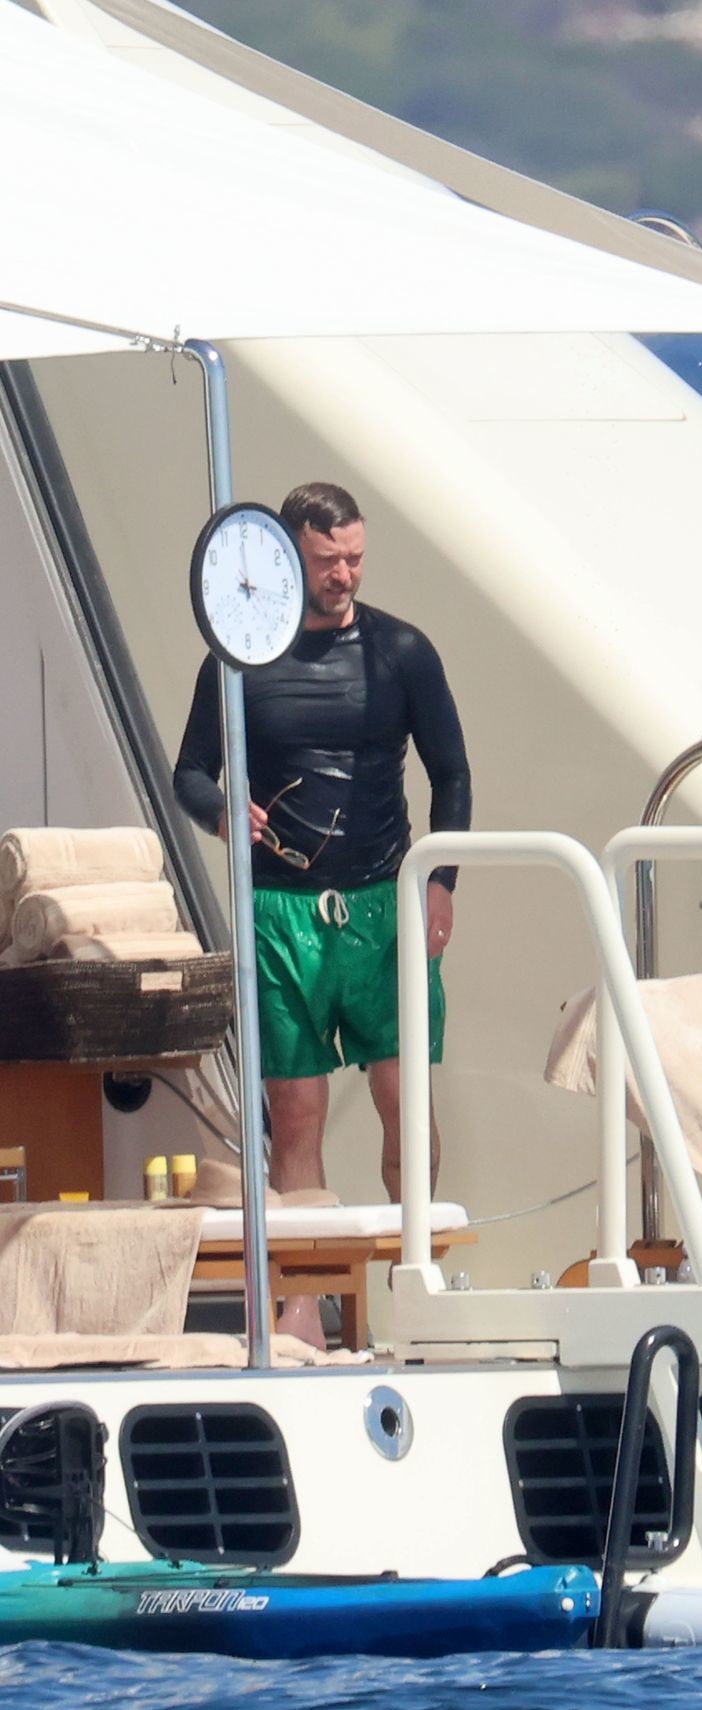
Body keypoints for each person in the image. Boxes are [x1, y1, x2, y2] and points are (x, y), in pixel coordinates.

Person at [175, 482, 471, 1344]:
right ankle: (303, 1308)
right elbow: (190, 772)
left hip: (384, 903)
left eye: (355, 559)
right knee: (296, 1113)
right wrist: (222, 814)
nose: (344, 575)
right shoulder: (236, 660)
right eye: (326, 561)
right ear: (286, 556)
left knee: (403, 1096)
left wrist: (442, 881)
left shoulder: (402, 652)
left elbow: (451, 773)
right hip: (282, 911)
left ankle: (416, 1279)